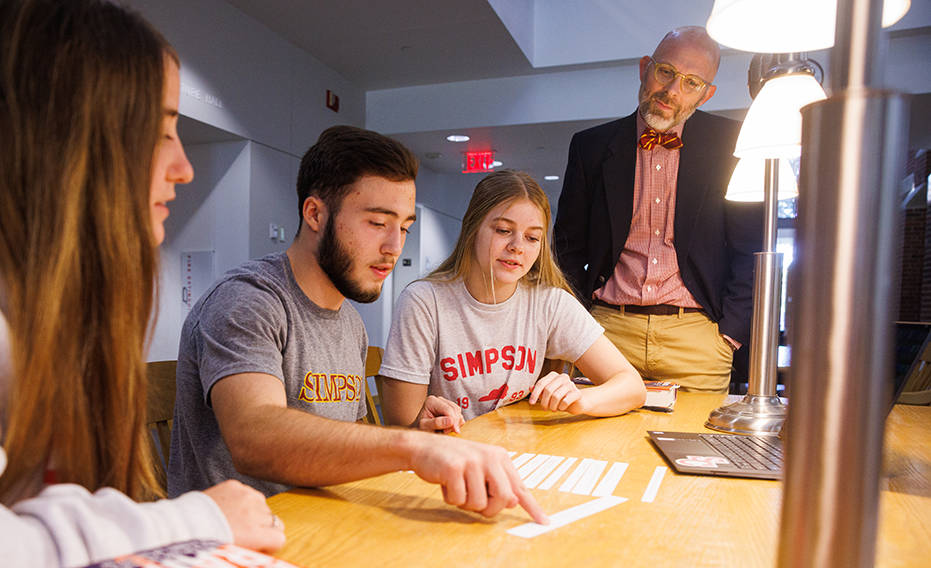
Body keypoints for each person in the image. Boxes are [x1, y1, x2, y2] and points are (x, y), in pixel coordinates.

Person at [0, 1, 285, 566]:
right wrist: (189, 520)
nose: (184, 167)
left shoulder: (33, 274)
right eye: (160, 129)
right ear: (66, 126)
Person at [168, 126, 549, 525]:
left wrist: (421, 431)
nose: (395, 246)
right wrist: (410, 447)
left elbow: (344, 441)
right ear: (314, 213)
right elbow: (254, 436)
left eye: (403, 226)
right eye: (376, 223)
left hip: (325, 527)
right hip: (238, 541)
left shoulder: (349, 323)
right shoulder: (247, 300)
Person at [553, 26, 764, 393]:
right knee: (598, 448)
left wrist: (728, 335)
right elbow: (567, 249)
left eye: (691, 82)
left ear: (707, 93)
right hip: (607, 335)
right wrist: (578, 321)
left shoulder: (735, 145)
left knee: (695, 449)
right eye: (665, 72)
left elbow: (751, 253)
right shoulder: (590, 147)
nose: (672, 91)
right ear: (644, 68)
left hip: (698, 340)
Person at [379, 170, 646, 429]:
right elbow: (403, 427)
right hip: (451, 456)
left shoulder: (549, 303)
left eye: (532, 237)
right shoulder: (424, 302)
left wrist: (581, 399)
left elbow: (632, 387)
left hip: (519, 451)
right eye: (504, 230)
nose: (517, 246)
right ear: (472, 228)